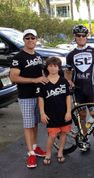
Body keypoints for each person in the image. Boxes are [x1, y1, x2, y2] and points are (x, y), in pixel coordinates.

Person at [64, 24, 94, 158]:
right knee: (82, 116)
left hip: (92, 89)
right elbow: (67, 72)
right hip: (78, 91)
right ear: (75, 37)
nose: (81, 38)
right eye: (78, 36)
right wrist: (69, 81)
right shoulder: (71, 55)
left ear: (86, 37)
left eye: (83, 35)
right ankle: (85, 139)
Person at [10, 29, 48, 168]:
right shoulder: (18, 57)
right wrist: (34, 80)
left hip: (39, 96)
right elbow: (13, 77)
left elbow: (43, 75)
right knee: (28, 124)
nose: (30, 40)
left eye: (33, 38)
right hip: (26, 96)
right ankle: (30, 153)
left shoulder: (38, 56)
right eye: (27, 38)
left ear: (36, 39)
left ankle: (35, 146)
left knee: (35, 123)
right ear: (24, 40)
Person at [36, 57, 72, 165]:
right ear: (47, 67)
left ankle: (60, 152)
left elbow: (68, 97)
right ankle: (48, 154)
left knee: (64, 133)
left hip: (64, 113)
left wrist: (69, 112)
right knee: (51, 135)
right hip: (50, 114)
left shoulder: (64, 81)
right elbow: (41, 99)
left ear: (59, 67)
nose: (53, 68)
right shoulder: (43, 82)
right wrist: (42, 113)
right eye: (50, 66)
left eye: (55, 66)